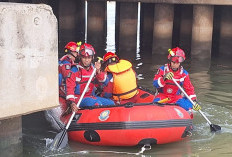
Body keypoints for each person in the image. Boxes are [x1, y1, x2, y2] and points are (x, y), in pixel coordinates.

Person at [65, 43, 115, 114]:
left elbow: (104, 81)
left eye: (89, 58)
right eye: (84, 58)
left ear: (92, 58)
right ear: (80, 57)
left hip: (90, 96)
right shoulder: (74, 71)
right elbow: (69, 88)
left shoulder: (94, 69)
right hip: (78, 98)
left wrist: (98, 71)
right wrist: (72, 102)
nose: (86, 60)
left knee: (111, 103)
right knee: (96, 103)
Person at [152, 47, 201, 111]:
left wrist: (194, 101)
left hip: (176, 97)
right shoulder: (163, 70)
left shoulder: (184, 74)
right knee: (154, 107)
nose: (175, 65)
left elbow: (189, 89)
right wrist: (164, 78)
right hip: (162, 96)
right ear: (170, 61)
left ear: (180, 63)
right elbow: (155, 83)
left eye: (177, 63)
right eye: (173, 62)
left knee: (190, 106)